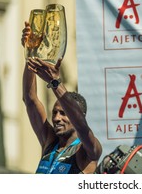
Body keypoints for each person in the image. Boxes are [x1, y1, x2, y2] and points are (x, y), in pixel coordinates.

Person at [21, 22, 102, 174]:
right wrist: (31, 53)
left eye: (64, 113)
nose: (57, 118)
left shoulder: (88, 150)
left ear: (79, 115)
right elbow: (30, 99)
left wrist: (55, 83)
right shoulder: (49, 142)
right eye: (55, 113)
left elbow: (82, 127)